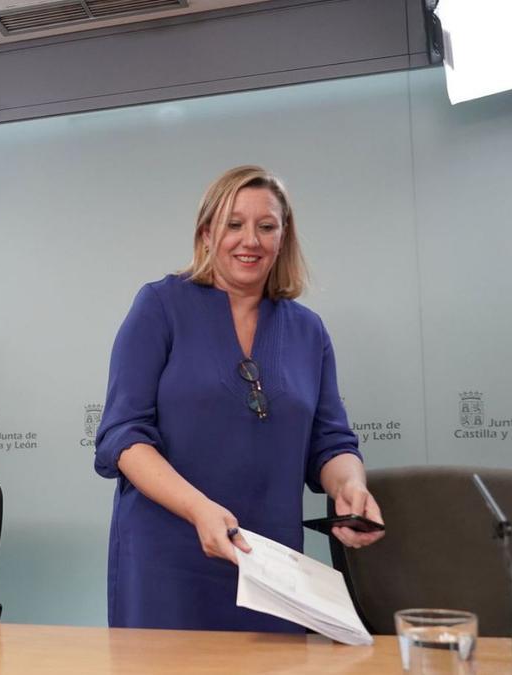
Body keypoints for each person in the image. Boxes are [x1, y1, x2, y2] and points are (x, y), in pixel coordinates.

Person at [93, 165, 384, 631]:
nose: (250, 239)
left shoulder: (309, 331)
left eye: (266, 226)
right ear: (207, 233)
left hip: (272, 565)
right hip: (168, 561)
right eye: (234, 224)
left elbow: (331, 443)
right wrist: (199, 509)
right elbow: (123, 436)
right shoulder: (159, 307)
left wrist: (349, 487)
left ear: (283, 238)